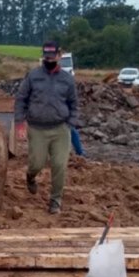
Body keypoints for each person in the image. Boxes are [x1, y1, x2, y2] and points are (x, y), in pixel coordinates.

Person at [14, 40, 80, 214]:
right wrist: (20, 123)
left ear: (59, 55)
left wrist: (70, 123)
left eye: (52, 56)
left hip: (60, 129)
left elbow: (74, 103)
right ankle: (30, 176)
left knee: (59, 165)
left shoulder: (67, 80)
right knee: (37, 163)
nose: (49, 59)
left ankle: (55, 201)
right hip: (37, 128)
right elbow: (21, 99)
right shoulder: (33, 76)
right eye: (46, 56)